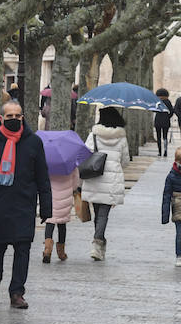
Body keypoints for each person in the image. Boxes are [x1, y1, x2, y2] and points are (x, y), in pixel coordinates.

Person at [0, 99, 51, 308]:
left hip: (24, 205)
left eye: (18, 116)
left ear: (23, 117)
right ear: (1, 118)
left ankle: (17, 292)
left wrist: (46, 205)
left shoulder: (33, 142)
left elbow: (42, 176)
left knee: (23, 250)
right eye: (10, 116)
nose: (14, 119)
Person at [84, 106, 131, 261]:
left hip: (95, 177)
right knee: (103, 213)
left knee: (98, 212)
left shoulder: (94, 135)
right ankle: (98, 243)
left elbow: (86, 153)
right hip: (112, 179)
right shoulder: (121, 137)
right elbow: (125, 160)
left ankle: (99, 242)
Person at [43, 162, 78, 264]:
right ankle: (61, 252)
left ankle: (47, 250)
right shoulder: (71, 163)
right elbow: (75, 184)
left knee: (50, 221)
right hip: (65, 197)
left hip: (51, 196)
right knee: (62, 224)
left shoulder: (48, 161)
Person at [153, 88, 174, 157]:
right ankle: (165, 151)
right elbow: (171, 111)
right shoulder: (168, 102)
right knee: (165, 136)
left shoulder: (157, 102)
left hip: (158, 120)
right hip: (166, 121)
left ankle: (159, 151)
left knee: (158, 137)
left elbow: (153, 110)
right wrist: (168, 117)